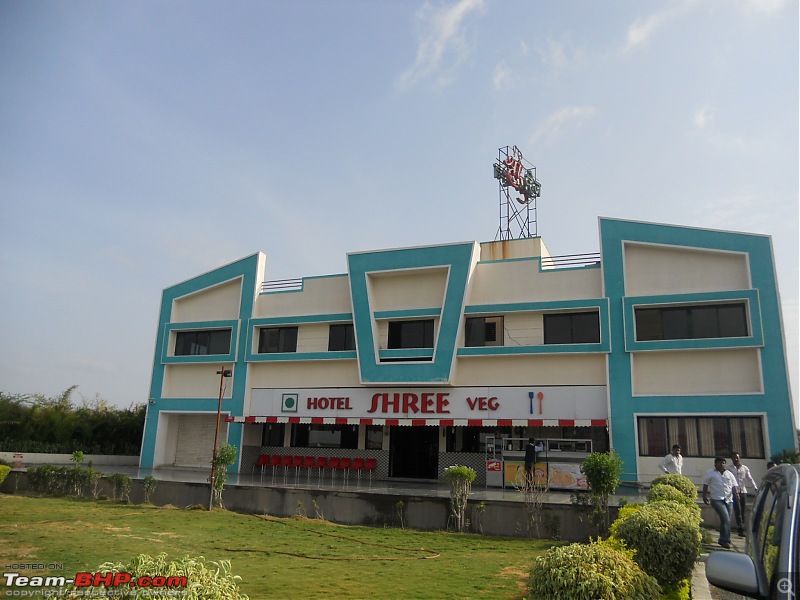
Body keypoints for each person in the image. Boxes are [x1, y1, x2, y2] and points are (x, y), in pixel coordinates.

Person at [702, 456, 739, 549]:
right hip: (716, 499)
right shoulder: (710, 473)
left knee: (726, 520)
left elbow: (734, 486)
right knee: (726, 518)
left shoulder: (729, 474)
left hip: (729, 499)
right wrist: (704, 496)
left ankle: (722, 540)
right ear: (715, 464)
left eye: (723, 462)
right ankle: (726, 540)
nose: (721, 464)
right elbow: (705, 485)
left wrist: (737, 494)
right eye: (719, 463)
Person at [728, 452, 758, 536]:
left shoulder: (744, 468)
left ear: (739, 458)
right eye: (734, 458)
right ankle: (740, 528)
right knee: (737, 510)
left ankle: (742, 526)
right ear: (731, 459)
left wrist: (755, 487)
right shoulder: (729, 469)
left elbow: (750, 478)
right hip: (734, 492)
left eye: (737, 457)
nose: (736, 459)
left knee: (743, 510)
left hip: (743, 491)